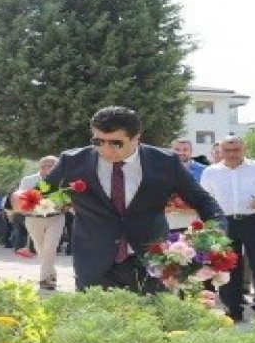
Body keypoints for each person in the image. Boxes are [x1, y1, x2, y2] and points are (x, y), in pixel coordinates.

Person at [43, 106, 222, 292]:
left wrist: (214, 237)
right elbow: (41, 191)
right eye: (98, 141)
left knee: (152, 319)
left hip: (152, 261)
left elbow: (203, 202)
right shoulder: (72, 161)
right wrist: (21, 198)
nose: (105, 149)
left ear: (136, 138)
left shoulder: (165, 162)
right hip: (93, 261)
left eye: (115, 143)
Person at [200, 135, 255, 322]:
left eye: (236, 150)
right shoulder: (211, 172)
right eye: (227, 150)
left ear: (244, 149)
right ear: (220, 151)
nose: (232, 154)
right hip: (224, 222)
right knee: (227, 266)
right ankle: (232, 309)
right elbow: (204, 200)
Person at [18, 156, 68, 290]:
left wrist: (66, 204)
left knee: (50, 247)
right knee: (41, 250)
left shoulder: (64, 180)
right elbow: (24, 199)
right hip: (33, 218)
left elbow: (68, 199)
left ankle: (44, 280)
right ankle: (51, 274)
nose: (48, 167)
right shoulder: (28, 180)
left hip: (56, 218)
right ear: (40, 166)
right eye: (45, 164)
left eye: (52, 165)